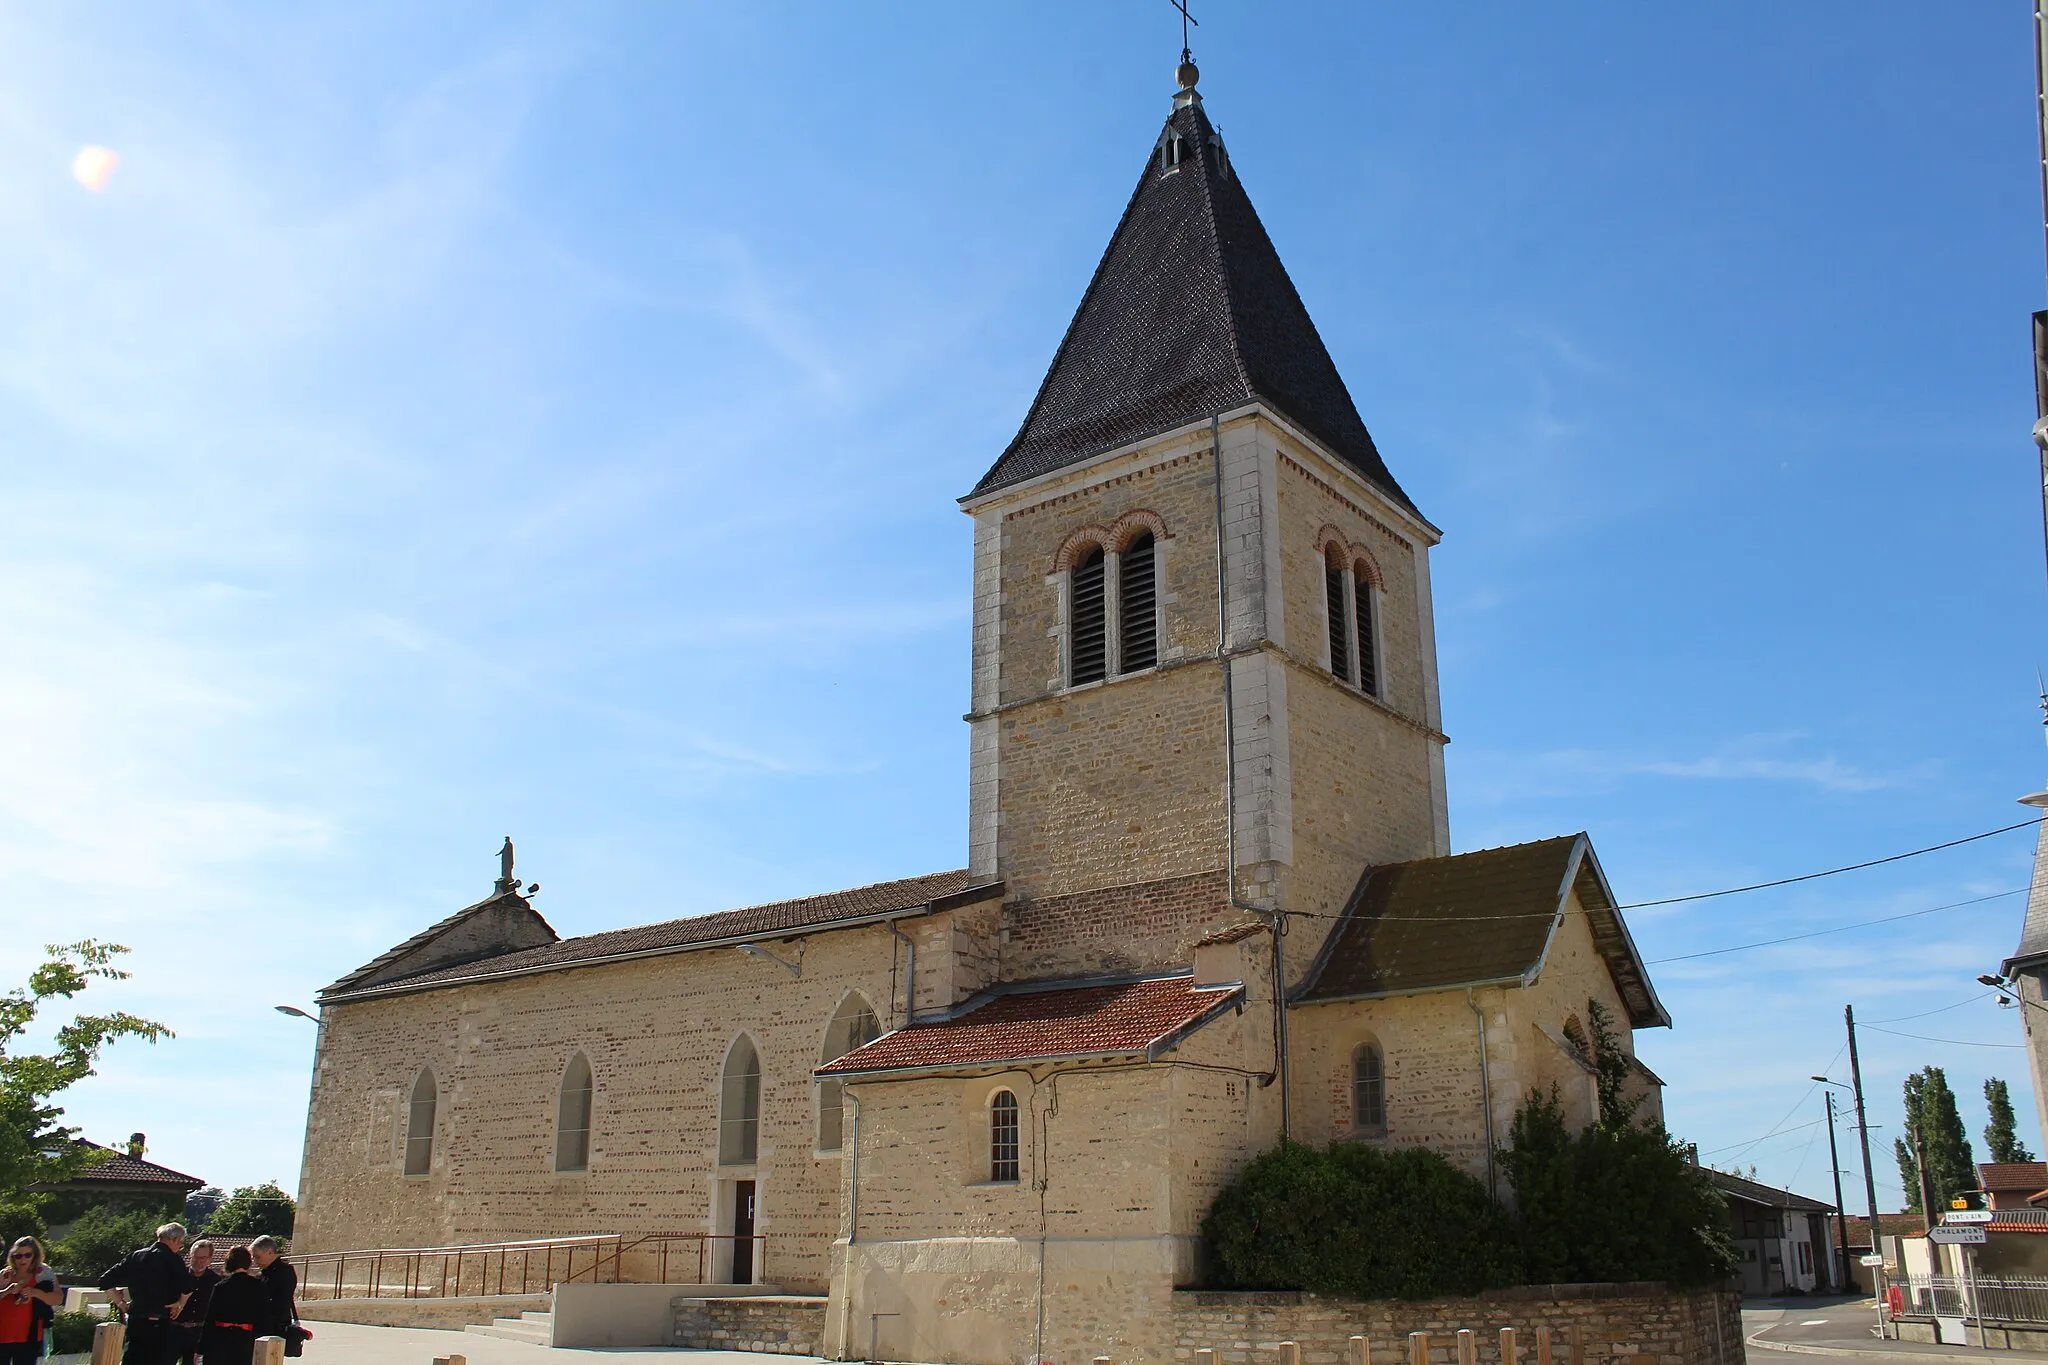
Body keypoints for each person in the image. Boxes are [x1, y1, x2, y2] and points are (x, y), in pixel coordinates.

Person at [98, 1222, 195, 1365]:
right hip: (161, 1323)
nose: (179, 1247)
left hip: (137, 1321)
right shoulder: (173, 1259)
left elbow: (105, 1281)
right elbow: (189, 1286)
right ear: (174, 1240)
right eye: (180, 1244)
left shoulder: (136, 1256)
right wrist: (180, 1304)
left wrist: (120, 1302)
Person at [200, 1247, 267, 1365]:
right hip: (247, 1340)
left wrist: (201, 1348)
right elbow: (263, 1317)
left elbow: (210, 1319)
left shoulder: (220, 1286)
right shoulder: (259, 1286)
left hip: (221, 1340)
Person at [0, 1237, 61, 1365]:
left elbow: (58, 1298)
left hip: (29, 1337)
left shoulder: (43, 1273)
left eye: (28, 1255)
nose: (23, 1259)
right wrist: (7, 1290)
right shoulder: (5, 1274)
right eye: (18, 1256)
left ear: (35, 1255)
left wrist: (35, 1293)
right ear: (12, 1256)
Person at [170, 1239, 220, 1365]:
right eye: (196, 1257)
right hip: (175, 1330)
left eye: (203, 1258)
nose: (199, 1261)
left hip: (199, 1333)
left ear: (210, 1258)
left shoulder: (216, 1282)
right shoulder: (178, 1277)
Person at [249, 1236, 302, 1355]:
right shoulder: (264, 1272)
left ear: (269, 1252)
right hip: (262, 1326)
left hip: (275, 1327)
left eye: (257, 1257)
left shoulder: (285, 1271)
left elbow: (281, 1300)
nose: (255, 1261)